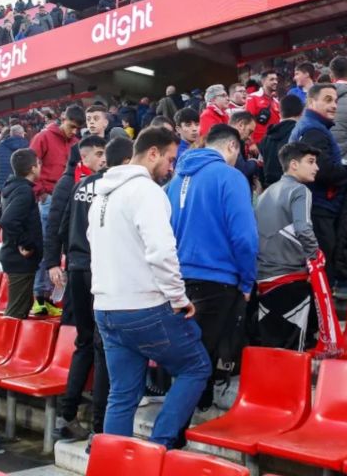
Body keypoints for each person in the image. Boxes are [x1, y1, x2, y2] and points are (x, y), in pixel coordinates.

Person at [89, 127, 210, 448]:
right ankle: (158, 449)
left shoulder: (100, 195)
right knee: (196, 366)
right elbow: (161, 252)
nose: (172, 167)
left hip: (106, 308)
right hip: (144, 306)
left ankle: (114, 466)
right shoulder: (147, 192)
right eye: (170, 159)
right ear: (152, 152)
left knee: (122, 394)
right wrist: (178, 298)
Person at [165, 124, 258, 409]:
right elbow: (245, 236)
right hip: (217, 277)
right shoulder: (230, 177)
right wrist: (247, 281)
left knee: (187, 349)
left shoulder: (175, 179)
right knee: (203, 353)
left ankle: (188, 410)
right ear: (231, 146)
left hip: (179, 276)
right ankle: (181, 423)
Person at [48, 135, 118, 442]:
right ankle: (99, 429)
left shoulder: (79, 187)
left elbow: (61, 229)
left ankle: (67, 414)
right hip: (98, 268)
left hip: (76, 268)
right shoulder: (112, 188)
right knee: (102, 346)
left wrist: (58, 262)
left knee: (84, 341)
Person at [254, 142, 322, 350]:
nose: (316, 167)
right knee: (293, 350)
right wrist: (316, 255)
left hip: (264, 279)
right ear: (293, 164)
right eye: (310, 162)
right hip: (291, 277)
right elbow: (303, 229)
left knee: (270, 346)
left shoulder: (266, 193)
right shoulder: (300, 191)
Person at [289, 84, 347, 282]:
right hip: (319, 208)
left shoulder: (311, 127)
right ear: (311, 102)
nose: (334, 105)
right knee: (322, 272)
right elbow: (322, 170)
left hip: (315, 206)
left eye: (336, 101)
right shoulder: (314, 130)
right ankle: (320, 312)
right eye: (328, 100)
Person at [31, 106, 82, 316]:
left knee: (62, 248)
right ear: (63, 119)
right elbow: (30, 164)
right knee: (48, 246)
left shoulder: (76, 144)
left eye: (77, 129)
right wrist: (41, 193)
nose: (73, 132)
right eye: (71, 126)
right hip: (49, 197)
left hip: (69, 199)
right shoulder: (43, 138)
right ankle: (40, 297)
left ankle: (52, 297)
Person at [0, 148, 43, 319]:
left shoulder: (10, 188)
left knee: (21, 308)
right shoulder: (23, 191)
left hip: (13, 255)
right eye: (38, 164)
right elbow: (7, 220)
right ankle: (2, 346)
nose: (40, 167)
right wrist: (25, 243)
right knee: (15, 314)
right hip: (19, 259)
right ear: (32, 168)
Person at [260, 95, 303, 188]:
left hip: (269, 189)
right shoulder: (300, 134)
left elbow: (260, 164)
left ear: (280, 112)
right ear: (301, 113)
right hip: (292, 189)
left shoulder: (266, 137)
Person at [0, 124, 29, 194]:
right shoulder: (29, 145)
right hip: (24, 184)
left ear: (11, 134)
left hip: (4, 185)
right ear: (23, 133)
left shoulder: (1, 145)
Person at [245, 70, 282, 145]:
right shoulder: (253, 98)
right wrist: (251, 143)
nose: (275, 82)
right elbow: (247, 121)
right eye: (272, 79)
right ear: (263, 81)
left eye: (276, 79)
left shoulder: (276, 102)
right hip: (258, 143)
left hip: (274, 142)